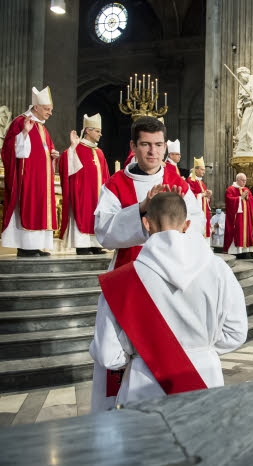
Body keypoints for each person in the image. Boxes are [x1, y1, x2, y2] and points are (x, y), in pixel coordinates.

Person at [90, 192, 248, 406]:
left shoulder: (121, 281)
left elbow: (108, 355)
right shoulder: (219, 269)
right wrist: (200, 351)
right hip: (205, 378)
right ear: (187, 225)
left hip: (143, 386)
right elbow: (236, 333)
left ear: (146, 223)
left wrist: (150, 355)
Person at [91, 116, 205, 412]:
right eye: (145, 145)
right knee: (124, 354)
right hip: (130, 281)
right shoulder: (116, 185)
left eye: (158, 145)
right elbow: (103, 231)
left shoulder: (178, 181)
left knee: (164, 354)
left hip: (172, 282)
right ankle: (121, 417)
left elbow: (198, 225)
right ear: (133, 146)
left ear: (165, 145)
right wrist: (142, 209)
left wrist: (177, 226)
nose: (153, 152)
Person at [1, 86, 59, 257]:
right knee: (29, 207)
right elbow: (8, 150)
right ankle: (25, 247)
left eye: (51, 110)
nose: (50, 113)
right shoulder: (20, 122)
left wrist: (53, 155)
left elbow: (45, 150)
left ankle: (36, 246)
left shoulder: (42, 127)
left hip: (41, 179)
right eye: (47, 109)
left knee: (40, 209)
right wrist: (24, 134)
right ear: (36, 107)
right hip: (27, 178)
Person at [58, 113, 110, 255]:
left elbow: (106, 175)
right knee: (83, 214)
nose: (100, 134)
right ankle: (82, 245)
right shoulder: (78, 148)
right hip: (82, 193)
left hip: (98, 194)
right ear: (88, 130)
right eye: (97, 131)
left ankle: (95, 245)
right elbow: (65, 164)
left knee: (97, 216)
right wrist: (72, 149)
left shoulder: (99, 152)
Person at [224, 173, 253, 255]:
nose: (244, 182)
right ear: (237, 180)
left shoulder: (246, 189)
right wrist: (240, 198)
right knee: (238, 233)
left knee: (246, 232)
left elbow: (251, 200)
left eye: (245, 180)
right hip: (237, 218)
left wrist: (249, 198)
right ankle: (236, 252)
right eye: (242, 180)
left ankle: (245, 251)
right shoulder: (230, 189)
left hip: (246, 217)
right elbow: (229, 201)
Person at [186, 157, 212, 242]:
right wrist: (202, 195)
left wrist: (208, 196)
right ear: (196, 169)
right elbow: (189, 196)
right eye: (202, 170)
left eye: (204, 170)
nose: (204, 172)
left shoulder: (201, 182)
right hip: (196, 211)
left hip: (204, 211)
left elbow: (205, 198)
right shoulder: (190, 180)